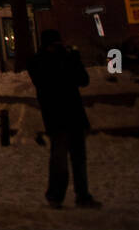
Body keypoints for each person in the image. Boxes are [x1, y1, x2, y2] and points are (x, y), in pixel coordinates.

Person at [28, 29, 100, 208]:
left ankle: (81, 195)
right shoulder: (40, 62)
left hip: (72, 115)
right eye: (55, 45)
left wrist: (74, 60)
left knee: (78, 159)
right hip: (58, 116)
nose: (58, 48)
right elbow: (50, 81)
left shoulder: (64, 59)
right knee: (59, 159)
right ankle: (56, 195)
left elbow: (83, 80)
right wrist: (67, 61)